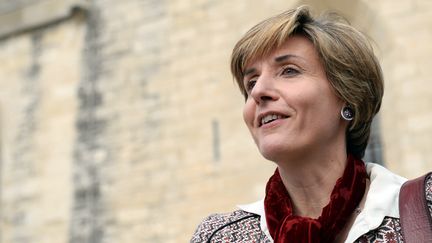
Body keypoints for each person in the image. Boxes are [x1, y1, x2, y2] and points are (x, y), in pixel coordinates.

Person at [191, 5, 432, 243]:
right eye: (251, 82)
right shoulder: (219, 237)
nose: (259, 92)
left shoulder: (425, 210)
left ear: (348, 95)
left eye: (288, 71)